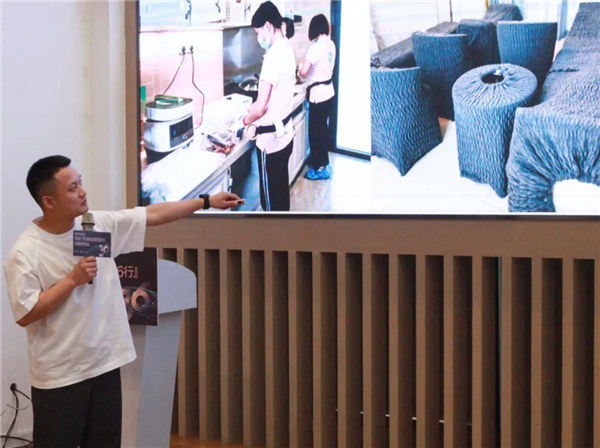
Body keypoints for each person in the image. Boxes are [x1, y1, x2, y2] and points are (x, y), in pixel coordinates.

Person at [4, 155, 241, 448]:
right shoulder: (26, 252)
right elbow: (25, 313)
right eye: (73, 188)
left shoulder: (94, 225)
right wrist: (71, 281)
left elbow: (151, 215)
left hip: (104, 363)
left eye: (81, 183)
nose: (83, 192)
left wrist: (206, 201)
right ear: (49, 201)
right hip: (60, 375)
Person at [241, 1, 296, 211]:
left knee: (270, 205)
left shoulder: (272, 57)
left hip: (270, 143)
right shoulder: (287, 50)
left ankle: (274, 233)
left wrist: (243, 121)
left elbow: (260, 107)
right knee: (281, 194)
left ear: (267, 26)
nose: (258, 38)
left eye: (257, 32)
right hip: (285, 135)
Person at [299, 13, 336, 181]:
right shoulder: (331, 44)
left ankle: (320, 168)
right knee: (322, 131)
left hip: (318, 96)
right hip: (329, 93)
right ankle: (324, 163)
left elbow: (303, 72)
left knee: (315, 134)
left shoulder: (315, 47)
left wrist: (300, 68)